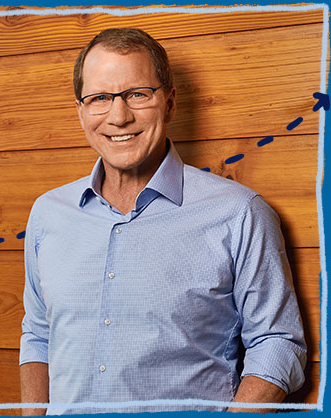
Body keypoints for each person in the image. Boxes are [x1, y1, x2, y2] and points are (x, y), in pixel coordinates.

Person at [19, 28, 306, 414]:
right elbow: (38, 335)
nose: (118, 117)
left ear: (169, 103)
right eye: (100, 98)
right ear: (81, 111)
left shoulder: (239, 213)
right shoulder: (48, 214)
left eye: (137, 94)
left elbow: (278, 342)